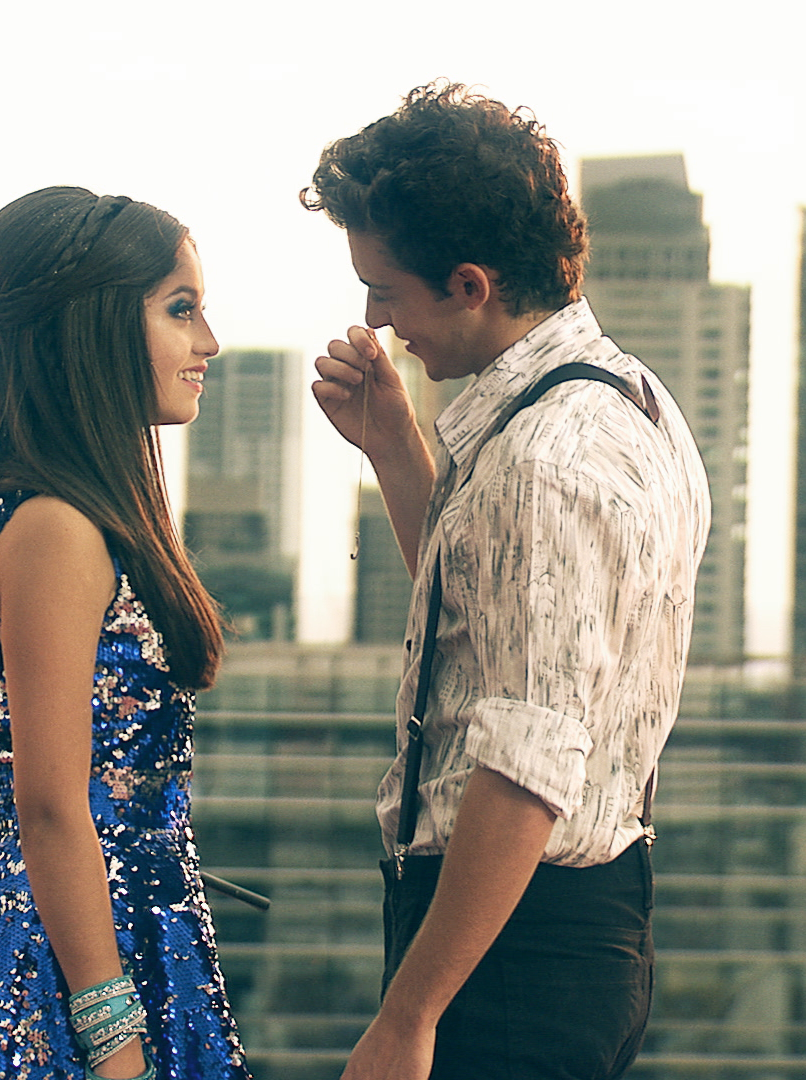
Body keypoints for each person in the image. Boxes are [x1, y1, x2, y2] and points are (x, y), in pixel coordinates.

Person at [301, 82, 711, 1080]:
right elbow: (490, 629)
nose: (377, 320)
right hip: (556, 926)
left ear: (470, 285)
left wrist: (409, 1018)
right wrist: (395, 448)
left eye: (386, 290)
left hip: (510, 951)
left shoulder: (545, 460)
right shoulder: (629, 402)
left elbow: (526, 766)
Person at [0, 186, 251, 1080]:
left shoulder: (52, 515)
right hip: (71, 960)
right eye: (181, 309)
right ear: (91, 328)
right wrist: (113, 1037)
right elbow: (53, 806)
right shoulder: (57, 529)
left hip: (113, 932)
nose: (209, 342)